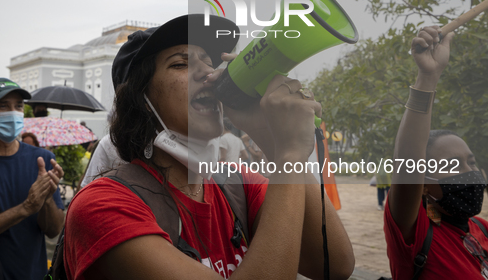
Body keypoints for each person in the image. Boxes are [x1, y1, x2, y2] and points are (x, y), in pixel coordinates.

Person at [64, 14, 354, 279]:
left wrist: (270, 137)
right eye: (180, 63)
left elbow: (334, 264)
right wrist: (290, 152)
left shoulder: (238, 184)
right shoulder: (102, 205)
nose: (209, 74)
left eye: (209, 62)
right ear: (140, 100)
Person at [385, 26, 488, 279]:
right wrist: (428, 76)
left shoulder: (481, 228)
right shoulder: (415, 232)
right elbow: (408, 162)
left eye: (471, 162)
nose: (468, 173)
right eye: (452, 166)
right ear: (423, 185)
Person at [0, 78, 65, 280]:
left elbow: (53, 230)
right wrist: (26, 208)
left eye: (18, 106)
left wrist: (46, 199)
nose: (13, 112)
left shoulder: (42, 160)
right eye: (3, 106)